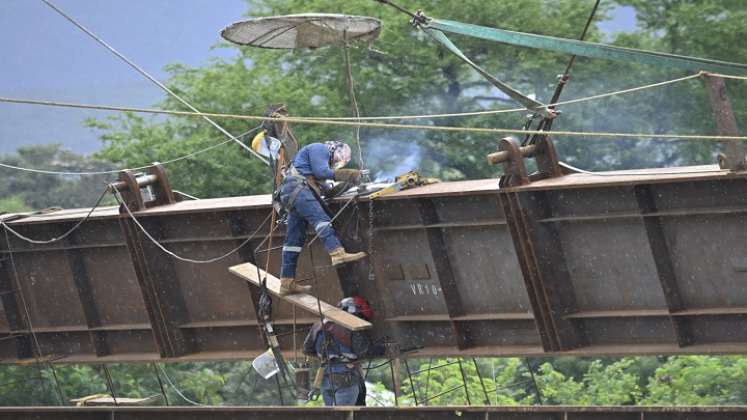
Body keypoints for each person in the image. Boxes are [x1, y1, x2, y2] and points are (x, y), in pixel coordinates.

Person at [275, 141, 366, 296]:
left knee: (294, 240)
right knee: (321, 219)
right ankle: (337, 253)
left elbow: (328, 191)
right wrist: (351, 173)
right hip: (298, 190)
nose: (337, 163)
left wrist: (350, 183)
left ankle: (286, 282)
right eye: (339, 159)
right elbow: (323, 171)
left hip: (292, 193)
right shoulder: (319, 148)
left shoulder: (313, 170)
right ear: (334, 149)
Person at [303, 296, 385, 406]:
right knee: (345, 415)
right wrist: (382, 349)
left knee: (333, 415)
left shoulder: (319, 325)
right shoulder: (352, 326)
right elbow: (363, 352)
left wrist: (328, 355)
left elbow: (307, 349)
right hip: (345, 379)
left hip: (325, 379)